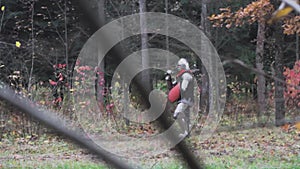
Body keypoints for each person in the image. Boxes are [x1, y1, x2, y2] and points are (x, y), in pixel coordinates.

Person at [172, 58, 194, 137]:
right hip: (184, 99)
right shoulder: (182, 75)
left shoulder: (186, 75)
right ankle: (187, 132)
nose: (178, 67)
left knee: (177, 114)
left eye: (179, 65)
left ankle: (187, 131)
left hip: (186, 99)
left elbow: (183, 88)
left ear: (183, 66)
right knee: (186, 116)